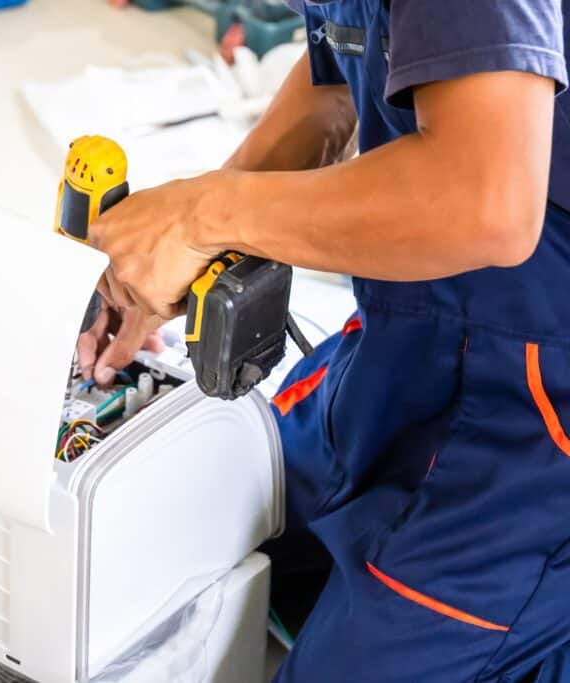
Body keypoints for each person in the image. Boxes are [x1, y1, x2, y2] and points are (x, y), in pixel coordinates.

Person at [79, 1, 570, 681]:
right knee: (192, 532)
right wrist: (172, 257)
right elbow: (338, 75)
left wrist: (203, 214)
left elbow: (486, 197)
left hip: (538, 433)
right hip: (411, 346)